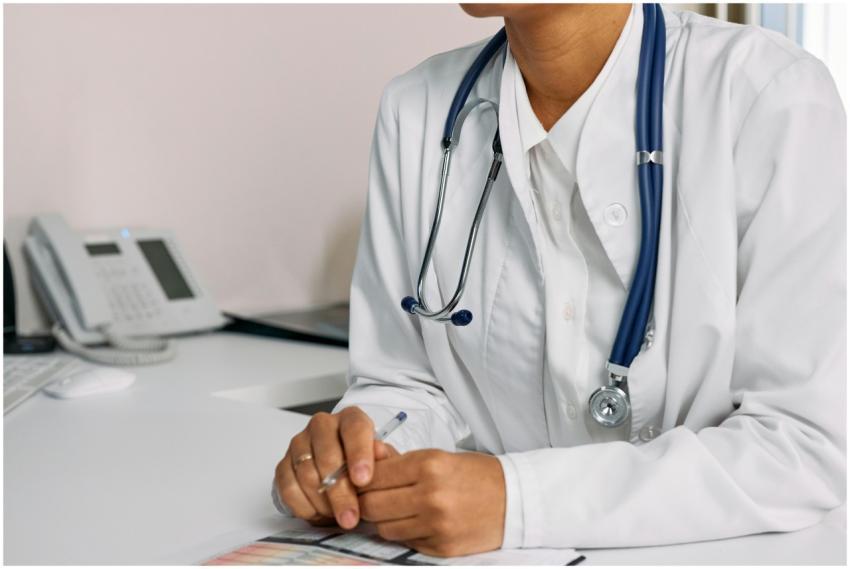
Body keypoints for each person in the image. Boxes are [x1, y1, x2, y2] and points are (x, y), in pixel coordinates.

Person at [274, 3, 846, 557]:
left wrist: (517, 501)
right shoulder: (417, 109)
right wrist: (360, 454)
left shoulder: (771, 97)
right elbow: (407, 384)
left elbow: (800, 447)